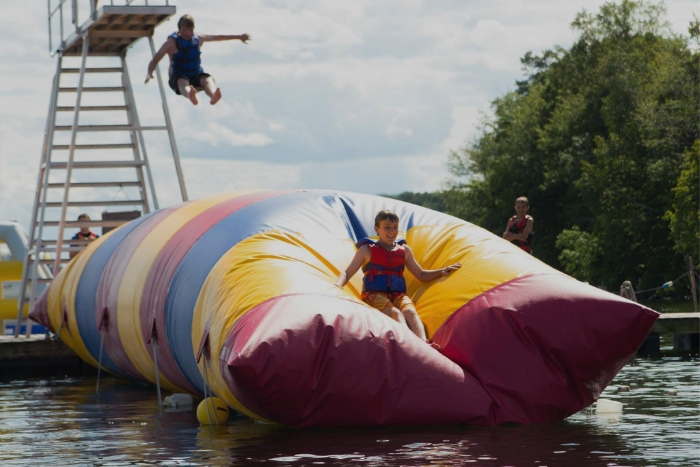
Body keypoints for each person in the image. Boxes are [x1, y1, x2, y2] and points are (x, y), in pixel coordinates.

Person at [335, 210, 462, 350]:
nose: (392, 231)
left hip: (397, 295)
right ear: (377, 229)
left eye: (395, 227)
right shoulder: (367, 250)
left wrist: (441, 271)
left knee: (411, 312)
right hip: (373, 295)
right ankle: (411, 345)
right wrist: (337, 286)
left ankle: (424, 344)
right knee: (395, 312)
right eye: (387, 227)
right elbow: (347, 273)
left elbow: (421, 274)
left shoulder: (404, 250)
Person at [145, 14, 250, 106]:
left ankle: (213, 96)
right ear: (179, 30)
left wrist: (239, 37)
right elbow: (155, 59)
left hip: (195, 75)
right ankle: (190, 95)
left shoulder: (199, 38)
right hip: (178, 77)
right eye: (185, 31)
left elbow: (219, 37)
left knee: (207, 79)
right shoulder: (171, 43)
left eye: (190, 30)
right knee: (183, 81)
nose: (188, 33)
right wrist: (150, 72)